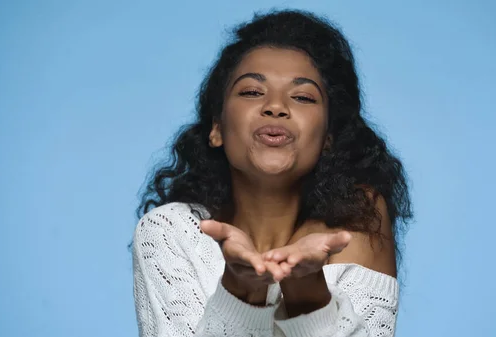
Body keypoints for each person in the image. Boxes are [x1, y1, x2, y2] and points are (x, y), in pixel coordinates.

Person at [132, 9, 412, 337]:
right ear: (217, 128)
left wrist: (307, 293)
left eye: (303, 96)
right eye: (252, 92)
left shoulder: (357, 221)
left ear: (327, 139)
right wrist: (241, 289)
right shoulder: (170, 230)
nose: (276, 106)